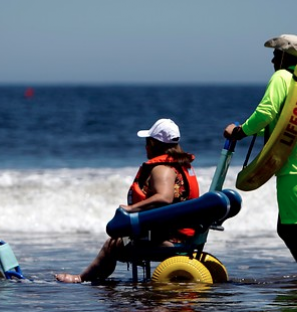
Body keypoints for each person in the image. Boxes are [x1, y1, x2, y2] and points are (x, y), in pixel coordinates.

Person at [224, 34, 297, 281]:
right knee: (292, 232)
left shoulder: (281, 77)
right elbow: (284, 122)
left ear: (285, 56)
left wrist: (240, 132)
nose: (272, 58)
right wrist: (255, 130)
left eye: (275, 53)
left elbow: (266, 112)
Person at [56, 119, 198, 283]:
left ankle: (82, 279)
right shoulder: (182, 166)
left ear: (153, 143)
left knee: (113, 243)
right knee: (118, 242)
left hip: (167, 240)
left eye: (147, 142)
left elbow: (164, 198)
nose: (145, 146)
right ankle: (92, 279)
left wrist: (131, 209)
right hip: (184, 236)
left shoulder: (162, 169)